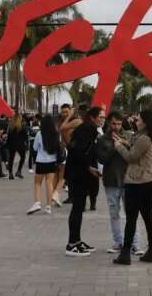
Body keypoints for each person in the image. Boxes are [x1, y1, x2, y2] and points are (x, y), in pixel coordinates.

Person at [112, 109, 152, 265]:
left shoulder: (144, 138)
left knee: (132, 218)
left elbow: (131, 157)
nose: (136, 121)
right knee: (148, 217)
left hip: (137, 182)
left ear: (145, 122)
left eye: (139, 120)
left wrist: (118, 146)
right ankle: (151, 251)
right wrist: (124, 142)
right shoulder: (145, 137)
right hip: (148, 181)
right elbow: (136, 150)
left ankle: (126, 253)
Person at [97, 111, 144, 256]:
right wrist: (114, 147)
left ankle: (134, 244)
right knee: (114, 213)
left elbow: (135, 157)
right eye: (113, 124)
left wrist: (125, 144)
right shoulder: (102, 139)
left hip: (128, 180)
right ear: (109, 123)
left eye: (119, 124)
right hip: (111, 180)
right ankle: (118, 242)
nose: (116, 127)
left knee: (131, 213)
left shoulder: (129, 136)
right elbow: (102, 160)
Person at [65, 106, 104, 257]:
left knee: (79, 208)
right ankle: (71, 244)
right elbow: (77, 152)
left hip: (81, 173)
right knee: (77, 208)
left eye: (103, 117)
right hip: (77, 174)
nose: (102, 120)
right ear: (93, 117)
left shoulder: (88, 129)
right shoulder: (86, 130)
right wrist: (89, 167)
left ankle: (77, 240)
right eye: (100, 117)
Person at [27, 115, 60, 215]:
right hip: (52, 161)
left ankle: (37, 202)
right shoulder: (56, 134)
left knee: (37, 183)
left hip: (41, 161)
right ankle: (48, 206)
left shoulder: (39, 134)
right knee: (49, 183)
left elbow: (35, 148)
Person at [7, 115, 27, 180]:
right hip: (20, 145)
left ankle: (10, 173)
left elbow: (8, 138)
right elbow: (25, 138)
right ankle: (19, 171)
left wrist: (8, 145)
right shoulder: (22, 127)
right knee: (23, 157)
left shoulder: (11, 127)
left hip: (12, 145)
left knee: (11, 159)